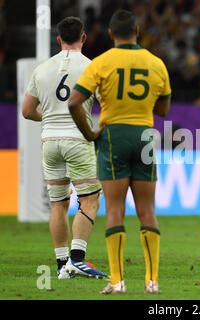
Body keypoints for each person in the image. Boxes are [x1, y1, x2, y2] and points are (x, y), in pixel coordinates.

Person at [68, 10, 171, 294]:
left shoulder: (102, 62)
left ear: (111, 34)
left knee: (115, 210)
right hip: (144, 136)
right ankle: (152, 282)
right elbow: (163, 109)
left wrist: (90, 134)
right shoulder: (155, 63)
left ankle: (118, 281)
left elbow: (74, 102)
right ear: (137, 31)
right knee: (147, 210)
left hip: (113, 135)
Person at [22, 17, 107, 279]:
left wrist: (49, 117)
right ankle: (77, 259)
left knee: (58, 203)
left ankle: (62, 266)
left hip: (49, 141)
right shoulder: (92, 67)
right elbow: (107, 106)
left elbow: (27, 111)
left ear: (58, 40)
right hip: (77, 139)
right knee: (90, 198)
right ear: (83, 38)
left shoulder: (42, 69)